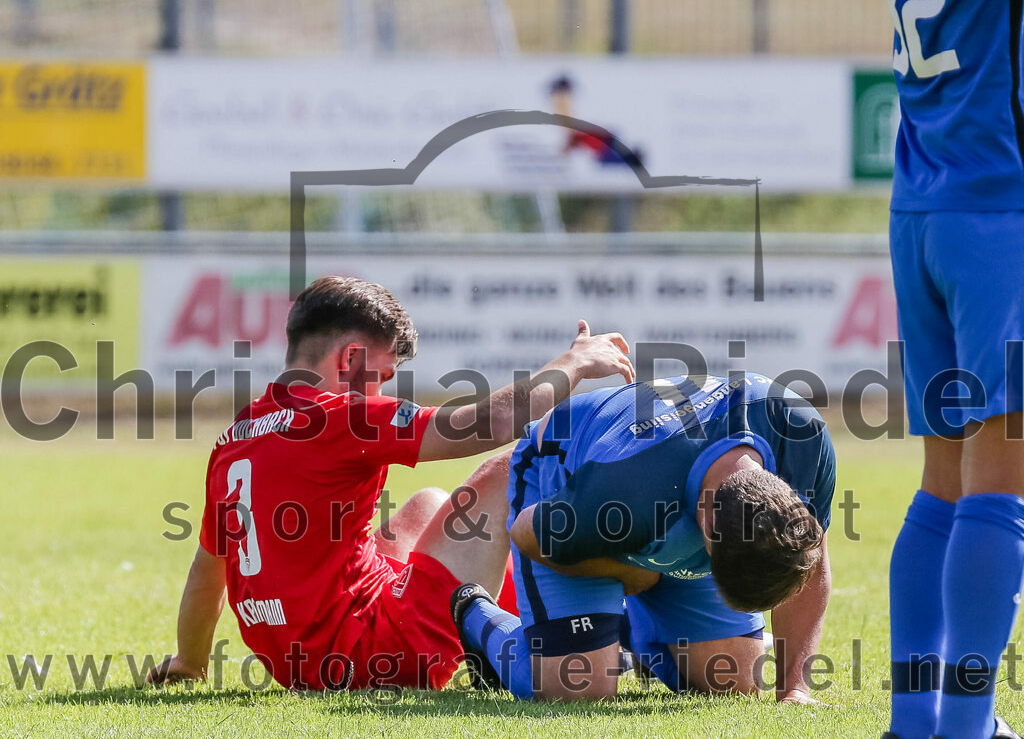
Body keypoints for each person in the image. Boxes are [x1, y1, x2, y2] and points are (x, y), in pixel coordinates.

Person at [148, 276, 633, 691]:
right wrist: (577, 362)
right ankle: (569, 632)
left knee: (428, 504)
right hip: (373, 651)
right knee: (515, 465)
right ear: (349, 360)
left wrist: (189, 662)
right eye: (380, 374)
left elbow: (207, 570)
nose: (383, 390)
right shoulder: (344, 416)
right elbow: (494, 420)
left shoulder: (236, 436)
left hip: (295, 661)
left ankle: (502, 625)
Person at [451, 372, 833, 702]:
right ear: (708, 535)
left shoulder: (800, 435)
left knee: (730, 680)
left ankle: (635, 634)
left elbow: (811, 560)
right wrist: (629, 572)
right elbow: (526, 534)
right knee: (579, 685)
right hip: (562, 471)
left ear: (787, 495)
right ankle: (477, 617)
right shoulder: (617, 497)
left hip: (657, 499)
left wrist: (794, 688)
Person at [876, 0, 1024, 739]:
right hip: (1000, 212)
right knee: (1001, 478)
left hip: (921, 210)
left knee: (944, 482)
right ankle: (968, 735)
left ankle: (912, 727)